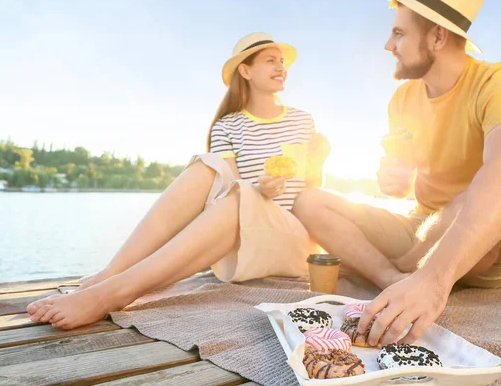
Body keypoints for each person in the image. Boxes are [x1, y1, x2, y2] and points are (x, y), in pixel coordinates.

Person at [26, 32, 330, 329]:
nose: (281, 67)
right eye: (270, 60)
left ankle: (112, 293)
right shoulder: (226, 126)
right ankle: (111, 273)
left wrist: (319, 160)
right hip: (244, 242)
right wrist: (262, 188)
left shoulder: (302, 121)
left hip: (290, 237)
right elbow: (233, 192)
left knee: (240, 198)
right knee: (206, 165)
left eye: (281, 61)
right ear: (245, 69)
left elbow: (312, 196)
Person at [293, 0, 501, 348]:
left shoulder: (499, 83)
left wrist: (433, 280)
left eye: (398, 33)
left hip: (481, 239)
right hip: (422, 226)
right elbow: (402, 180)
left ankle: (416, 276)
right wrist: (393, 178)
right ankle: (392, 276)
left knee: (491, 201)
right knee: (309, 201)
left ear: (438, 35)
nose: (387, 45)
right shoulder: (402, 98)